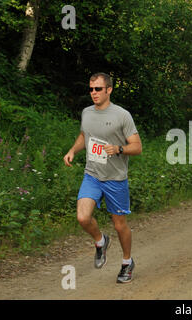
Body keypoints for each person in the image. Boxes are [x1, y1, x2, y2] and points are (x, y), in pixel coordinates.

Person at [63, 72, 142, 283]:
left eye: (98, 89)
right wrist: (72, 151)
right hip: (92, 175)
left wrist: (118, 149)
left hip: (115, 178)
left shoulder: (122, 115)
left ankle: (127, 263)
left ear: (109, 90)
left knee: (119, 224)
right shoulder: (87, 113)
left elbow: (137, 147)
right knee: (82, 217)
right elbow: (83, 135)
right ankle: (100, 241)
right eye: (91, 89)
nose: (94, 93)